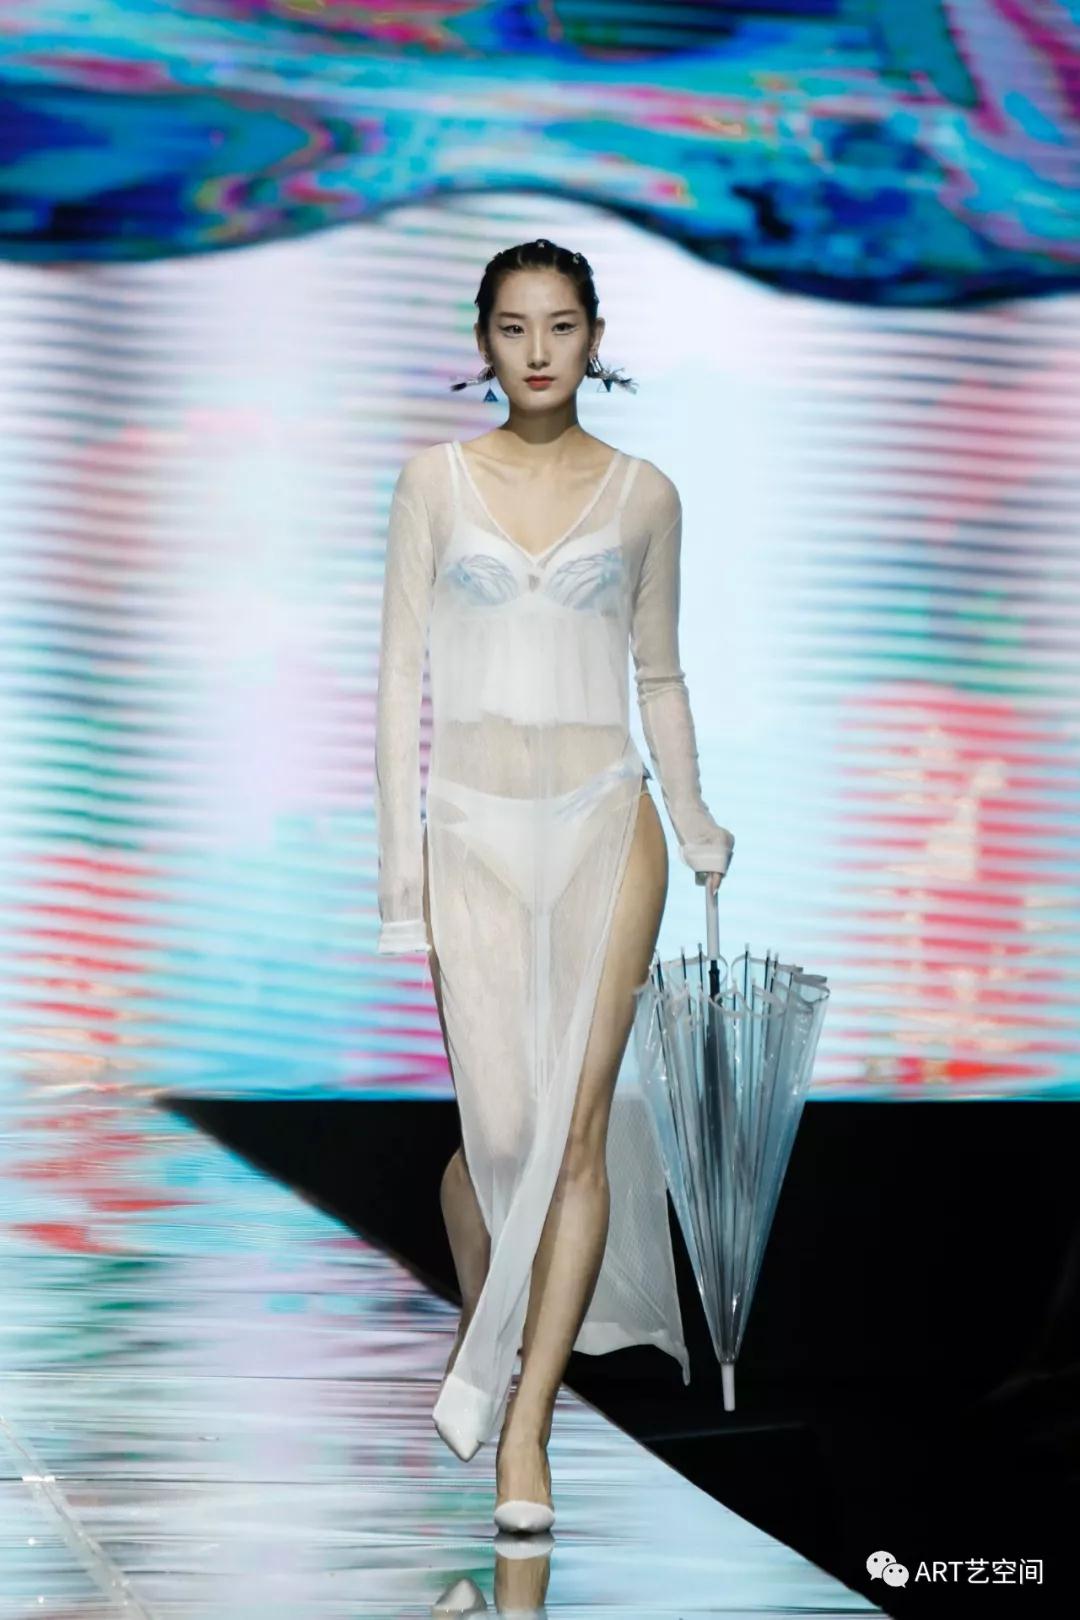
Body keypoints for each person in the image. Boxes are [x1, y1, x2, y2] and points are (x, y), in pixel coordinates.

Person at [374, 238, 734, 1532]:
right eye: (515, 327)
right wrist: (399, 882)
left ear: (595, 338)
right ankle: (491, 1312)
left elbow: (660, 676)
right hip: (472, 827)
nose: (538, 350)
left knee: (576, 1133)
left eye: (562, 325)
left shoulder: (644, 494)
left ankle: (526, 1426)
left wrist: (691, 813)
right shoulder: (434, 482)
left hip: (604, 819)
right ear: (484, 341)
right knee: (506, 1139)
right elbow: (397, 684)